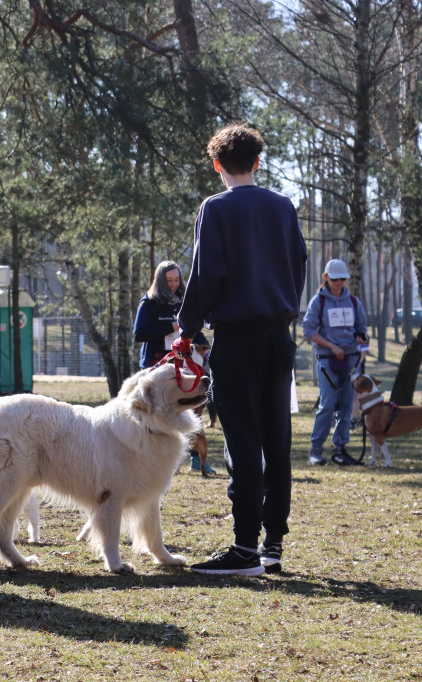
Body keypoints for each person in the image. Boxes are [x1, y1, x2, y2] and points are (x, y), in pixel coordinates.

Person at [176, 123, 307, 576]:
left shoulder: (216, 208)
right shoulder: (283, 206)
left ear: (217, 165)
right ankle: (272, 545)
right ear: (257, 161)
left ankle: (244, 548)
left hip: (236, 337)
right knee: (278, 439)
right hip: (278, 335)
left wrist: (188, 327)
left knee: (243, 442)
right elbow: (298, 262)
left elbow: (205, 273)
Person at [133, 260, 214, 474]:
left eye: (177, 279)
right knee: (154, 416)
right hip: (157, 366)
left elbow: (192, 330)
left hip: (182, 366)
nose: (174, 284)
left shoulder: (183, 301)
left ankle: (196, 458)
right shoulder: (149, 303)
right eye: (169, 280)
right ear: (160, 280)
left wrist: (203, 342)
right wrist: (170, 326)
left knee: (193, 409)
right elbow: (140, 333)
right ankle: (148, 459)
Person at [302, 259, 368, 466]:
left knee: (347, 406)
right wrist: (332, 347)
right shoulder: (318, 302)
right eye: (334, 279)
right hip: (327, 361)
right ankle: (316, 449)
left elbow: (361, 329)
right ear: (326, 278)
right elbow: (308, 331)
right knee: (328, 404)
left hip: (349, 361)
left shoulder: (354, 303)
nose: (339, 283)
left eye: (342, 279)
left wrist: (360, 338)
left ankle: (340, 449)